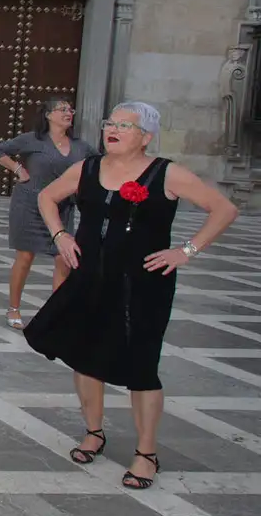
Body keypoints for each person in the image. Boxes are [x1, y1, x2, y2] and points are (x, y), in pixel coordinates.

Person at [25, 102, 237, 491]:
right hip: (89, 277)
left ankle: (146, 453)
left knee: (141, 365)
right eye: (111, 123)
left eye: (125, 126)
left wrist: (186, 251)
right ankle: (93, 432)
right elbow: (46, 197)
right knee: (85, 356)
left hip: (142, 285)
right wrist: (60, 235)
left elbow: (223, 209)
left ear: (146, 137)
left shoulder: (166, 173)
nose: (113, 130)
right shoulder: (87, 168)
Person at [0, 97, 95, 329]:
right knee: (25, 257)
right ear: (48, 115)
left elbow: (97, 166)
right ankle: (14, 308)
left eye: (70, 109)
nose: (68, 113)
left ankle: (57, 313)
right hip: (29, 205)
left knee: (64, 260)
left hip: (62, 208)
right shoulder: (32, 140)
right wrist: (18, 169)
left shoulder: (81, 146)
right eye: (62, 109)